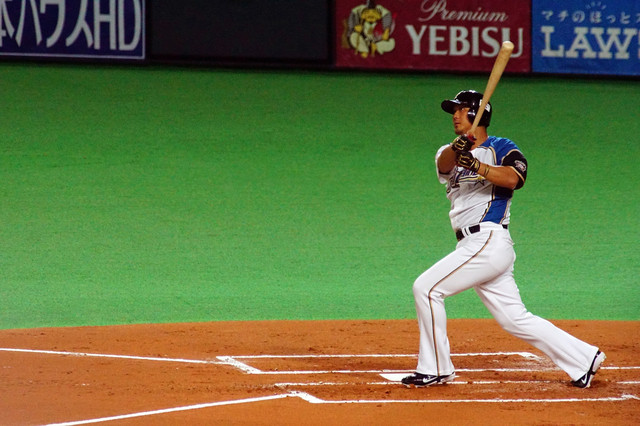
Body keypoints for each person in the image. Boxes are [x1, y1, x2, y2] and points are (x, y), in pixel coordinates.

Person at [401, 90, 605, 388]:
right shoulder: (448, 151)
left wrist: (477, 166)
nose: (455, 115)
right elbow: (444, 164)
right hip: (472, 245)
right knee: (514, 319)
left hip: (488, 240)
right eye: (453, 111)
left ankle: (436, 368)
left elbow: (514, 179)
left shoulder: (502, 147)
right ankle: (585, 359)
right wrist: (458, 149)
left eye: (460, 110)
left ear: (477, 114)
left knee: (427, 288)